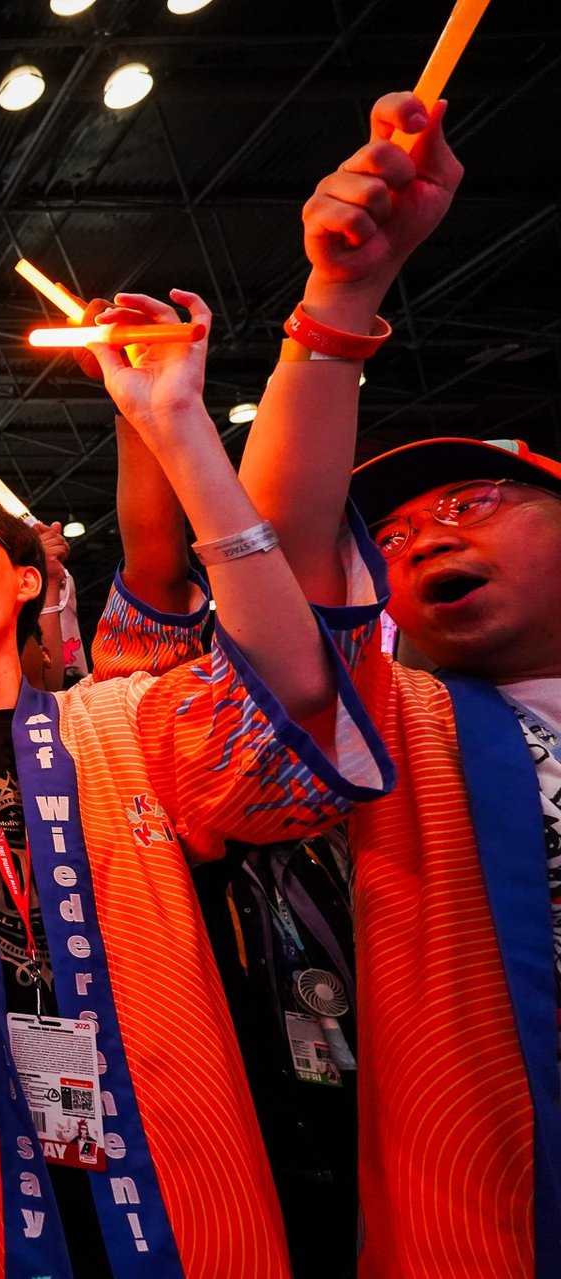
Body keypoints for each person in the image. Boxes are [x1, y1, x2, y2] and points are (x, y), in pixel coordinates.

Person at [0, 304, 390, 1276]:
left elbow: (294, 690)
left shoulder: (128, 718)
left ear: (21, 585)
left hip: (172, 1172)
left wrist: (179, 424)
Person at [238, 92, 560, 1275]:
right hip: (481, 1220)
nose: (422, 537)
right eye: (397, 532)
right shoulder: (393, 729)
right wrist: (337, 304)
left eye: (471, 504)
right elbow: (270, 548)